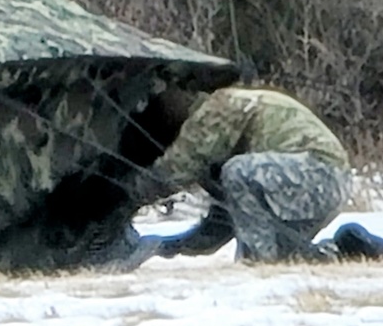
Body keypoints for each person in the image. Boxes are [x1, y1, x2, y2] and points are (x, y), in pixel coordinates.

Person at [132, 86, 356, 263]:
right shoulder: (229, 130)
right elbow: (223, 223)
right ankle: (348, 249)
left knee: (236, 171)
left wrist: (127, 195)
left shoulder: (216, 108)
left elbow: (178, 167)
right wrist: (169, 246)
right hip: (325, 183)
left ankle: (257, 262)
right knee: (285, 258)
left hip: (317, 172)